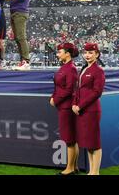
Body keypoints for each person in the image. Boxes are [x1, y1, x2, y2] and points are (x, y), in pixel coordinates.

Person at [72, 42, 105, 175]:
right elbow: (78, 89)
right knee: (89, 143)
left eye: (91, 53)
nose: (87, 55)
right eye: (85, 52)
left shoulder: (98, 71)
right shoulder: (84, 69)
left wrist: (80, 105)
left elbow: (97, 92)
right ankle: (91, 171)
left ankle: (95, 172)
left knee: (94, 143)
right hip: (81, 110)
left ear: (97, 54)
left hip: (91, 110)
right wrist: (74, 103)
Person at [50, 42, 79, 175]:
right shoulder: (65, 67)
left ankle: (70, 169)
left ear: (67, 54)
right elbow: (58, 86)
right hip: (63, 106)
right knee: (71, 138)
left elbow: (69, 90)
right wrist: (53, 96)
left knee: (69, 139)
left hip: (67, 107)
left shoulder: (71, 68)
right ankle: (74, 167)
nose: (57, 54)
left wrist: (55, 99)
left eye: (60, 52)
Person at [1, 0, 33, 70]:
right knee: (18, 38)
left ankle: (26, 61)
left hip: (20, 11)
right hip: (14, 11)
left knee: (21, 37)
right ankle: (22, 61)